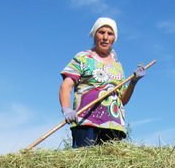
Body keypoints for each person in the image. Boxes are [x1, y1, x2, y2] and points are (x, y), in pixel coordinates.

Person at [60, 17, 146, 148]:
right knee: (84, 164)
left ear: (114, 38)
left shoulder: (117, 66)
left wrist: (133, 82)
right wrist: (66, 109)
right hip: (86, 122)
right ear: (94, 35)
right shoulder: (83, 58)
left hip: (113, 125)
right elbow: (67, 85)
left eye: (110, 34)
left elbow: (122, 100)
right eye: (101, 32)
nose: (105, 37)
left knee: (110, 167)